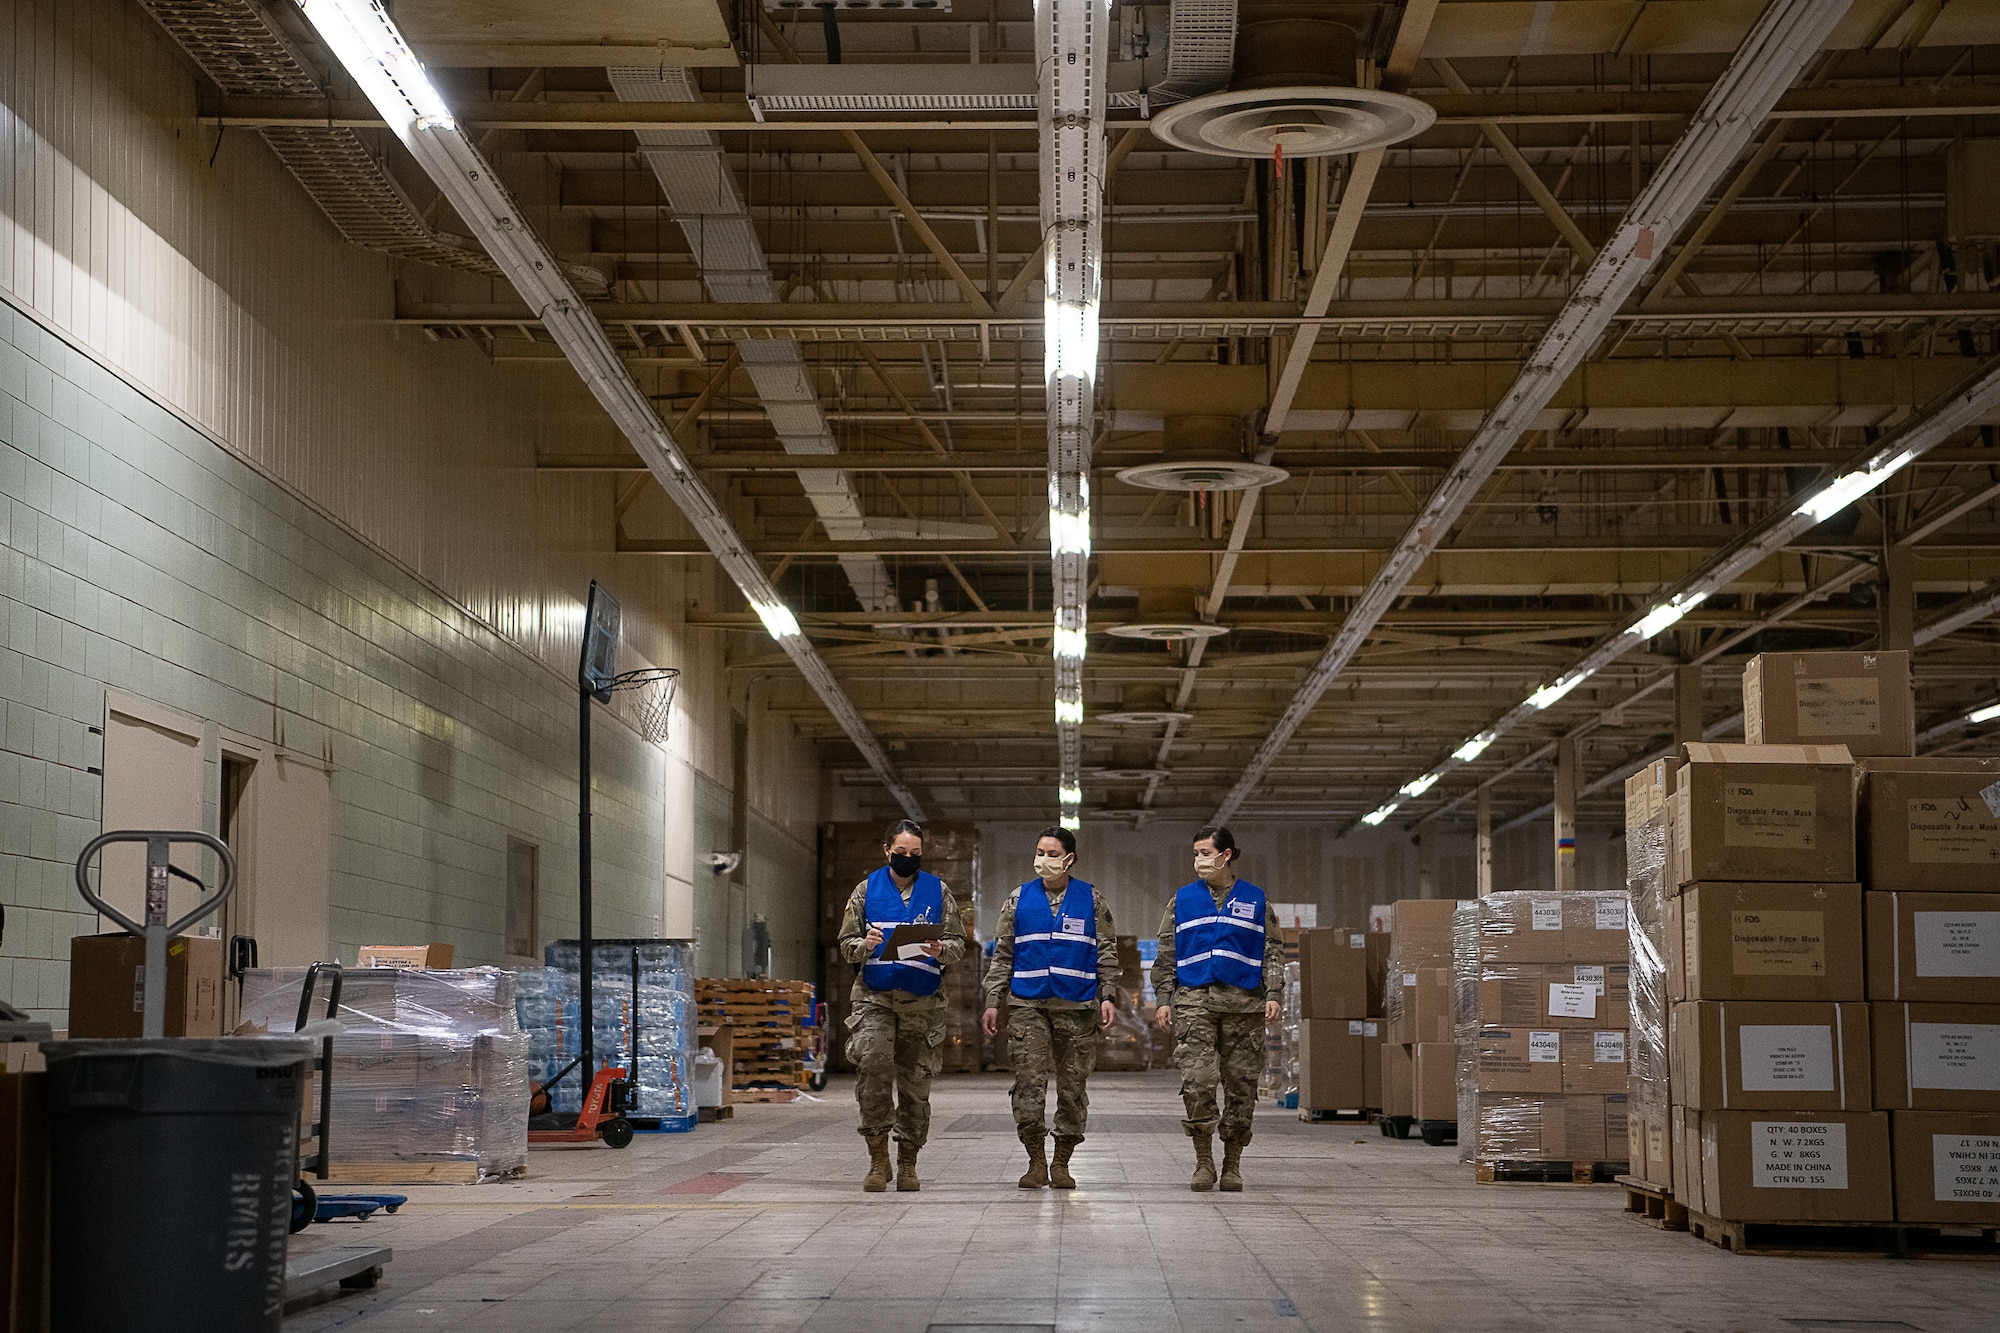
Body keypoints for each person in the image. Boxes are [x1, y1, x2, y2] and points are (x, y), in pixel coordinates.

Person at [981, 826, 1119, 1189]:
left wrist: (1108, 995)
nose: (1043, 860)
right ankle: (1036, 1162)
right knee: (1028, 1085)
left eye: (1052, 854)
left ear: (1069, 859)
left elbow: (1106, 953)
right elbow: (1002, 957)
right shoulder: (1017, 899)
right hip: (1028, 1005)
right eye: (1040, 852)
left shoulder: (1091, 900)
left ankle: (1062, 1163)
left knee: (1073, 1088)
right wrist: (993, 1001)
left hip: (1077, 1006)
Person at [835, 818, 966, 1192]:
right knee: (873, 1072)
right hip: (874, 998)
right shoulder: (865, 891)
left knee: (915, 1084)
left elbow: (958, 942)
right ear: (887, 850)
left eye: (915, 854)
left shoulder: (938, 892)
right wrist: (866, 944)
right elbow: (846, 945)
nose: (908, 859)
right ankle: (878, 1161)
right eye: (901, 852)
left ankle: (908, 1162)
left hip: (922, 1001)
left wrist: (943, 949)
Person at [1153, 825, 1285, 1192]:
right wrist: (1164, 999)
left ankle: (1232, 1164)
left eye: (1206, 853)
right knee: (1196, 1082)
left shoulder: (1257, 900)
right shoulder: (1181, 900)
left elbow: (1272, 952)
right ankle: (1203, 1162)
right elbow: (1166, 953)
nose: (1199, 860)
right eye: (1195, 853)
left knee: (1242, 1087)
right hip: (1195, 1003)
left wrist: (1273, 993)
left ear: (1226, 854)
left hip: (1244, 1005)